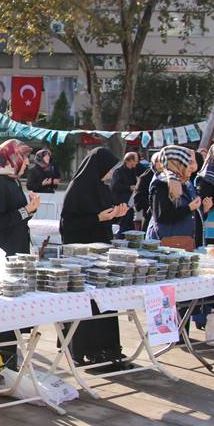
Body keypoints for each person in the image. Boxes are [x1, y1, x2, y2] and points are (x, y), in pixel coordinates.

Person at [59, 147, 130, 369]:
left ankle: (108, 349)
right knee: (87, 304)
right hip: (83, 256)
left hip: (102, 252)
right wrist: (97, 218)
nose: (110, 174)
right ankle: (85, 350)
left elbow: (103, 218)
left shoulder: (101, 188)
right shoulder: (77, 188)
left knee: (106, 302)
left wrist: (114, 215)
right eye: (108, 169)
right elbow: (67, 226)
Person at [0, 140, 39, 366]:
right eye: (24, 157)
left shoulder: (11, 182)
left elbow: (15, 216)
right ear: (12, 159)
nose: (28, 162)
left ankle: (7, 364)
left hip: (12, 253)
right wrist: (26, 210)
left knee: (8, 317)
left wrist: (29, 210)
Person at [146, 146, 202, 249]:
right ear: (178, 163)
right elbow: (162, 216)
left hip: (183, 241)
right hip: (165, 245)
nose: (193, 168)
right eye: (188, 163)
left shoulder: (185, 182)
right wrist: (189, 208)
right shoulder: (161, 183)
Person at [110, 152, 140, 236]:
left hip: (129, 202)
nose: (136, 163)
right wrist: (129, 187)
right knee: (121, 226)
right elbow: (115, 186)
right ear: (129, 161)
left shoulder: (133, 170)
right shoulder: (119, 171)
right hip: (120, 203)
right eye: (135, 161)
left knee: (130, 225)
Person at [134, 153, 162, 230]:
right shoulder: (145, 177)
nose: (160, 164)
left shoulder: (169, 177)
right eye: (157, 161)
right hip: (150, 214)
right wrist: (150, 207)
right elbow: (138, 197)